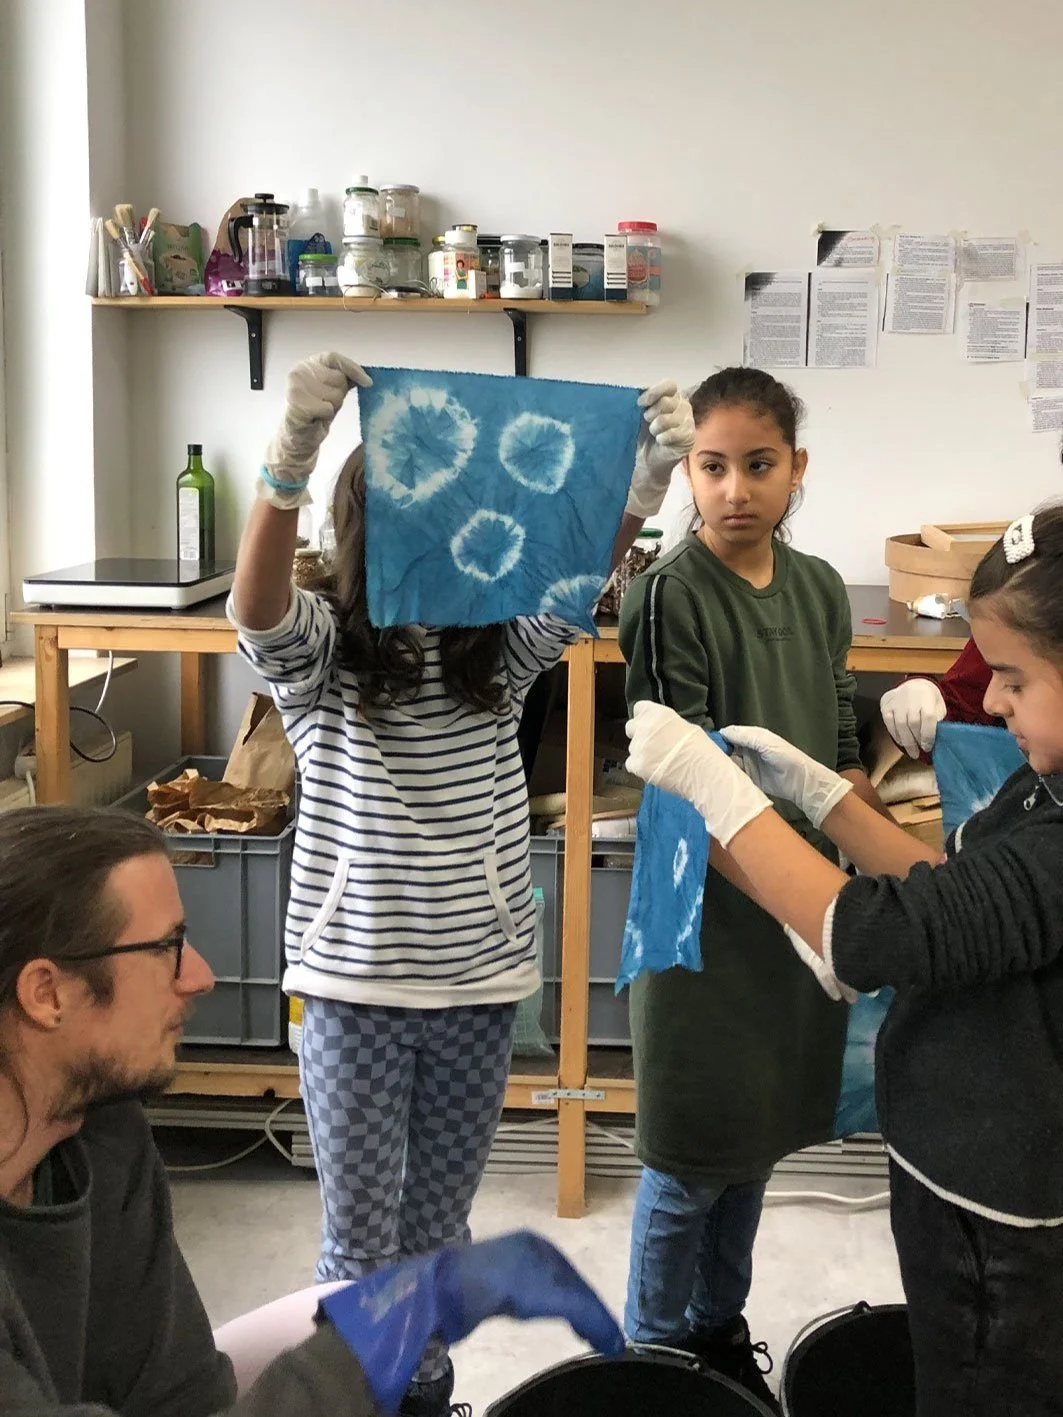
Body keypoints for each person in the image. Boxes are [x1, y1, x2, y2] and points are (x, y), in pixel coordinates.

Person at [229, 353, 693, 1417]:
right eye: (412, 519)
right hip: (353, 991)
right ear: (370, 531)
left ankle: (427, 1396)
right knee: (358, 1240)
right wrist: (289, 459)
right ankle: (354, 1399)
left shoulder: (500, 653)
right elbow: (257, 604)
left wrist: (640, 484)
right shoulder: (323, 654)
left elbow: (573, 581)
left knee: (438, 1231)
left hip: (478, 988)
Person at [624, 506, 1063, 1416]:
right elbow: (952, 892)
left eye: (1014, 678)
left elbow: (871, 934)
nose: (989, 700)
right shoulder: (1043, 784)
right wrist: (824, 797)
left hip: (1005, 1231)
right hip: (957, 1187)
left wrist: (716, 790)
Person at [0, 805, 625, 1417]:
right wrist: (363, 1346)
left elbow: (180, 1396)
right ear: (48, 993)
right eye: (169, 946)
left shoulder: (102, 1130)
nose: (200, 976)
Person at [616, 367, 886, 1411]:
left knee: (757, 1139)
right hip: (704, 910)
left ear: (795, 468)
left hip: (801, 911)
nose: (735, 489)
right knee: (690, 1153)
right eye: (713, 466)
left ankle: (715, 1335)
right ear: (687, 471)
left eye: (758, 465)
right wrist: (797, 901)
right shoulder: (669, 594)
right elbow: (677, 770)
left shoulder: (816, 589)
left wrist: (846, 869)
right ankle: (650, 1362)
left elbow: (835, 730)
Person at [880, 637, 997, 759]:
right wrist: (922, 706)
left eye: (1010, 684)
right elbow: (955, 727)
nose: (990, 703)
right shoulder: (990, 638)